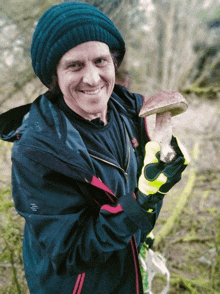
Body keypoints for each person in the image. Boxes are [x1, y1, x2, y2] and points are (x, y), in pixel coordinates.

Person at [0, 2, 188, 294]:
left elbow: (138, 193)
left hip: (129, 273)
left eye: (100, 61)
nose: (92, 78)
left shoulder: (132, 112)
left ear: (114, 62)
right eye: (74, 65)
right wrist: (139, 202)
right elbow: (70, 252)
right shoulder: (37, 150)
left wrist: (157, 185)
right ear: (54, 76)